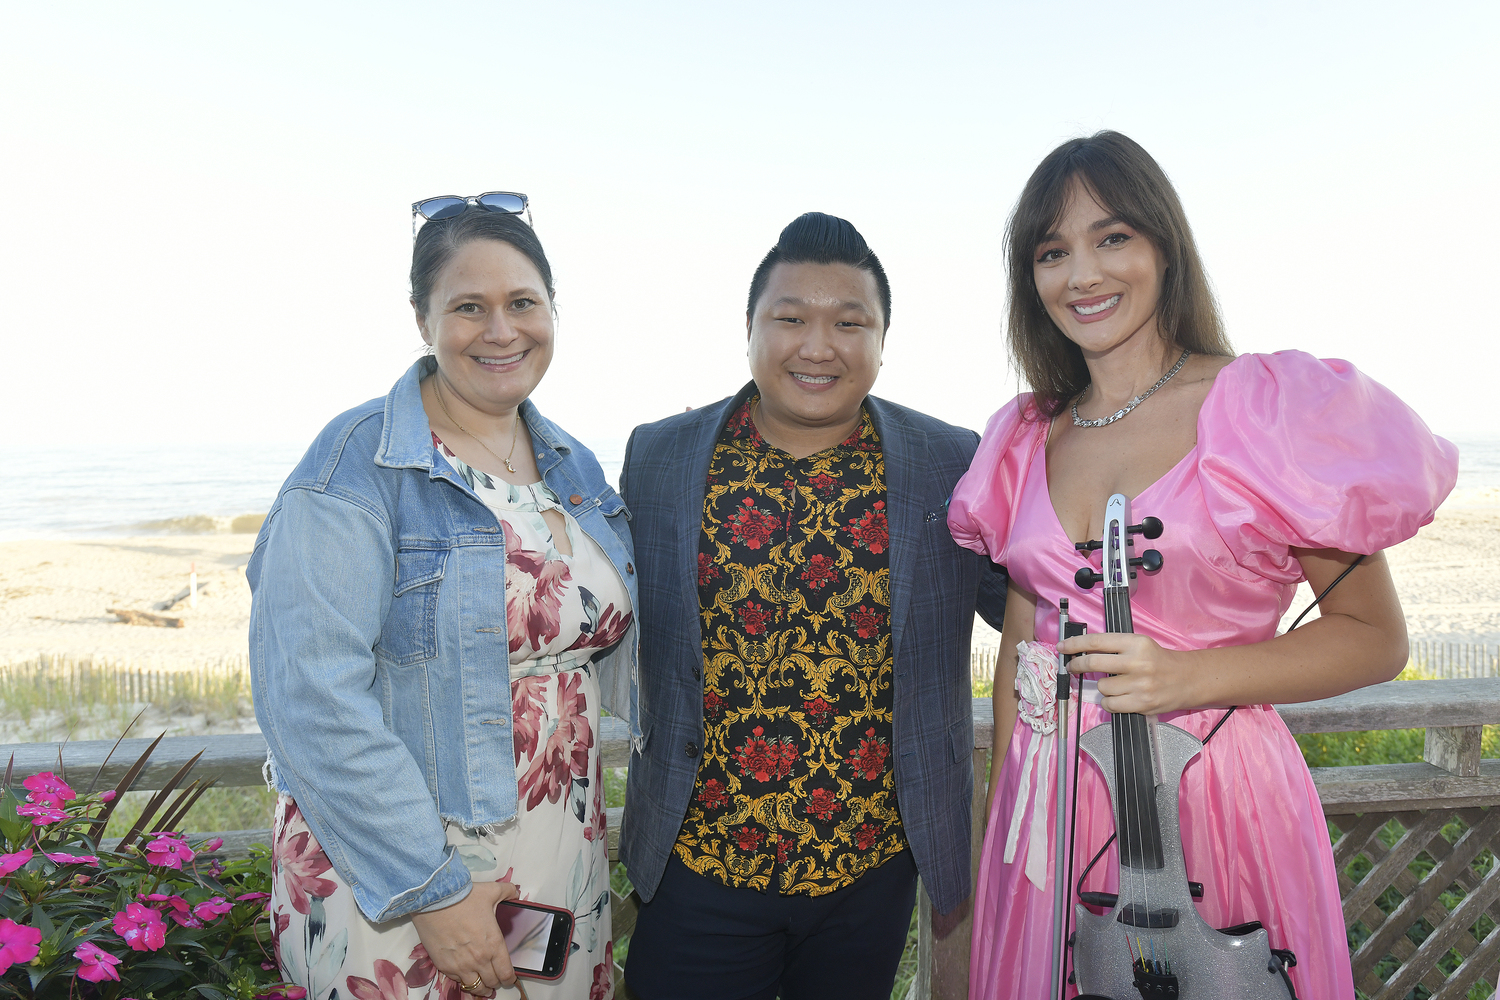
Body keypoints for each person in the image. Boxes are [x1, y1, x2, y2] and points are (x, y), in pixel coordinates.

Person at [948, 131, 1459, 1000]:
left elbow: (1374, 639)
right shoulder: (1027, 436)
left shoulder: (1261, 408)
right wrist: (1007, 815)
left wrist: (1187, 676)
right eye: (1051, 251)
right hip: (1049, 804)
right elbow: (1028, 639)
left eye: (1112, 238)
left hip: (1213, 794)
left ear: (1163, 245)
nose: (1082, 275)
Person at [248, 195, 636, 1000]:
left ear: (552, 310)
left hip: (558, 858)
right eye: (469, 307)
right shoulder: (356, 466)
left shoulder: (574, 465)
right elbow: (310, 697)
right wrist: (434, 892)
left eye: (523, 303)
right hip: (405, 875)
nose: (501, 331)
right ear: (423, 320)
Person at [618, 213, 1008, 1000]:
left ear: (883, 340)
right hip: (700, 862)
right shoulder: (658, 457)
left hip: (870, 870)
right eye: (790, 318)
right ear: (752, 331)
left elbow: (1034, 602)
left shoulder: (951, 461)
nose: (818, 345)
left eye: (849, 321)